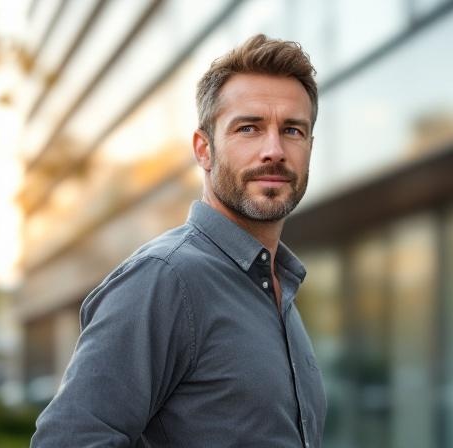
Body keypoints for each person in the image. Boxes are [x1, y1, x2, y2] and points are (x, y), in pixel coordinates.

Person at [31, 34, 326, 447]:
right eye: (249, 128)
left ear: (309, 147)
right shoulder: (165, 279)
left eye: (292, 130)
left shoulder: (277, 288)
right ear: (204, 150)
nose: (274, 150)